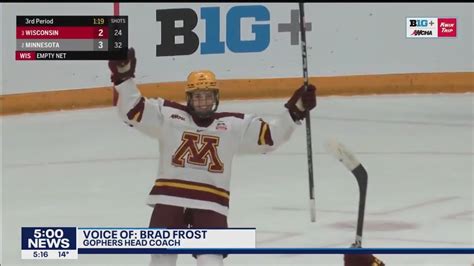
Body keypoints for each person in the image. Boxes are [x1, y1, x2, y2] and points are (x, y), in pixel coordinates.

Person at [108, 48, 384, 266]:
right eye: (198, 96)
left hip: (211, 206)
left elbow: (271, 137)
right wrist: (124, 77)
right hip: (169, 200)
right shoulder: (168, 115)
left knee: (211, 262)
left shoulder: (233, 125)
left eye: (208, 96)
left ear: (215, 97)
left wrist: (296, 109)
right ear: (188, 98)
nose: (203, 102)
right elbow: (131, 111)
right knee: (161, 260)